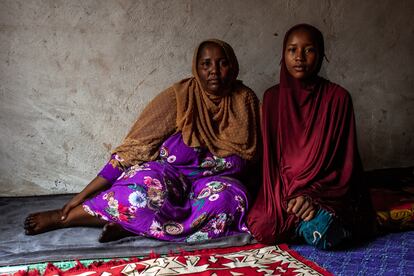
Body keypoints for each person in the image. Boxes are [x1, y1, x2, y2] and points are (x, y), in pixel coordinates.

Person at [24, 39, 260, 243]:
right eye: (206, 64)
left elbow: (257, 153)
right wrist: (80, 196)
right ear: (196, 68)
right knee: (138, 189)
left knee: (231, 202)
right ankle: (65, 218)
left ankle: (132, 227)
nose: (214, 71)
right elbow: (134, 149)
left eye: (222, 63)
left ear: (233, 66)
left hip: (214, 184)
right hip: (170, 178)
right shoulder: (180, 97)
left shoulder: (245, 100)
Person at [246, 24, 375, 250]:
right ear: (283, 55)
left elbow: (344, 166)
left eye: (309, 50)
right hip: (283, 193)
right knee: (263, 226)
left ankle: (308, 222)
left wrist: (312, 196)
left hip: (326, 193)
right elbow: (272, 165)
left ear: (321, 54)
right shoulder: (272, 99)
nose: (300, 57)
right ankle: (301, 222)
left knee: (324, 232)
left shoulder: (338, 98)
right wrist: (287, 198)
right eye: (292, 50)